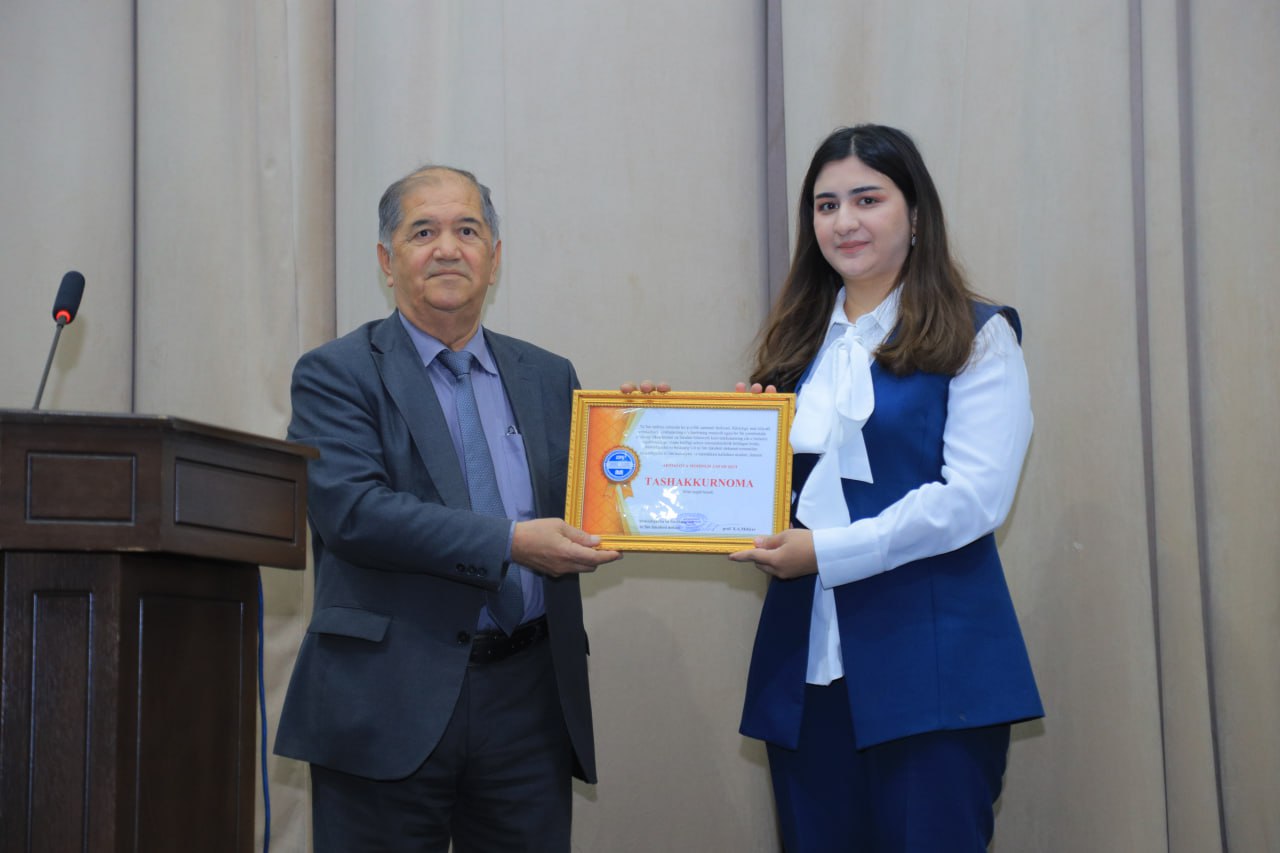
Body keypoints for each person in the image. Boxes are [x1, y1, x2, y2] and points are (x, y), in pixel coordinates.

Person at [274, 165, 621, 853]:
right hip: (387, 696)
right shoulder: (336, 373)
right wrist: (511, 542)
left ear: (494, 256)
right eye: (423, 232)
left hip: (528, 700)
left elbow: (597, 501)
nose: (447, 249)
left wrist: (648, 436)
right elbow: (354, 513)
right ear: (386, 260)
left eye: (467, 230)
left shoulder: (549, 375)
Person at [726, 125, 1044, 851]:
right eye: (826, 205)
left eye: (867, 199)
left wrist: (825, 552)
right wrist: (666, 438)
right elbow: (759, 505)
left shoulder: (978, 335)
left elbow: (973, 500)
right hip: (804, 675)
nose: (844, 221)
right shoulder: (793, 346)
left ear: (916, 213)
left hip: (935, 673)